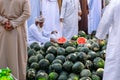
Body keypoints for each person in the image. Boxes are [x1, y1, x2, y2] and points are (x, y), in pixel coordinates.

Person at [0, 0, 30, 80]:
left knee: (4, 57)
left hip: (3, 30)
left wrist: (4, 21)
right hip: (18, 31)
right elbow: (27, 13)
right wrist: (14, 23)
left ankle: (4, 78)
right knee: (18, 58)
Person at [95, 0, 120, 80]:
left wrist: (100, 36)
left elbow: (106, 21)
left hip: (117, 41)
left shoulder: (116, 2)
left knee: (114, 69)